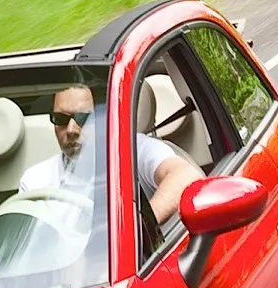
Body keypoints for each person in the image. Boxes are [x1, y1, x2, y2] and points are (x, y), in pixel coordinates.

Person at [18, 82, 197, 228]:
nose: (71, 130)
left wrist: (141, 228)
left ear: (106, 117)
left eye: (83, 118)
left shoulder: (134, 150)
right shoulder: (35, 181)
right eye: (61, 119)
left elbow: (185, 175)